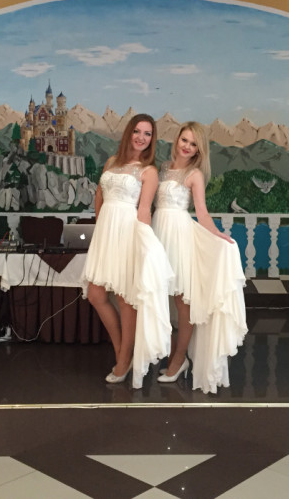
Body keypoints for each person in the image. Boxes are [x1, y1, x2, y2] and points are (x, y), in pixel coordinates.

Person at [152, 121, 247, 394]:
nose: (187, 146)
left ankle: (179, 359)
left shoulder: (194, 175)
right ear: (177, 140)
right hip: (158, 232)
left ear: (198, 150)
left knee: (183, 303)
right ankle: (171, 354)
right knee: (159, 299)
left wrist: (218, 235)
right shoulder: (162, 168)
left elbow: (202, 213)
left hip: (179, 235)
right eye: (185, 140)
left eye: (193, 144)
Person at [81, 114, 173, 388]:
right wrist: (100, 228)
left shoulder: (149, 171)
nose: (141, 137)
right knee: (96, 294)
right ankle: (123, 349)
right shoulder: (111, 162)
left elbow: (144, 210)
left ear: (152, 140)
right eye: (137, 131)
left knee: (125, 300)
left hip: (128, 234)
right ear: (129, 133)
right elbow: (99, 196)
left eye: (147, 133)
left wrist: (144, 245)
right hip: (105, 234)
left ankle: (122, 360)